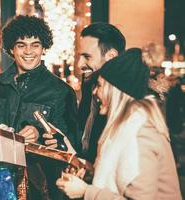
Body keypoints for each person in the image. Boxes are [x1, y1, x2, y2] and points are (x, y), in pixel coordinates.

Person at [56, 48, 182, 199]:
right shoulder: (125, 127)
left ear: (116, 92)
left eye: (100, 86)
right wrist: (90, 172)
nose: (95, 92)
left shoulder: (140, 137)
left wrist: (86, 192)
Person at [0, 15, 78, 199]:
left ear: (44, 48)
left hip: (39, 187)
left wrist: (41, 137)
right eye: (21, 45)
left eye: (35, 44)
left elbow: (70, 145)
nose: (29, 51)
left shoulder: (61, 91)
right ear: (11, 48)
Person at [77, 22, 126, 163]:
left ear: (111, 56)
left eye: (87, 57)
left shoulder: (126, 99)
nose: (80, 64)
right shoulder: (89, 84)